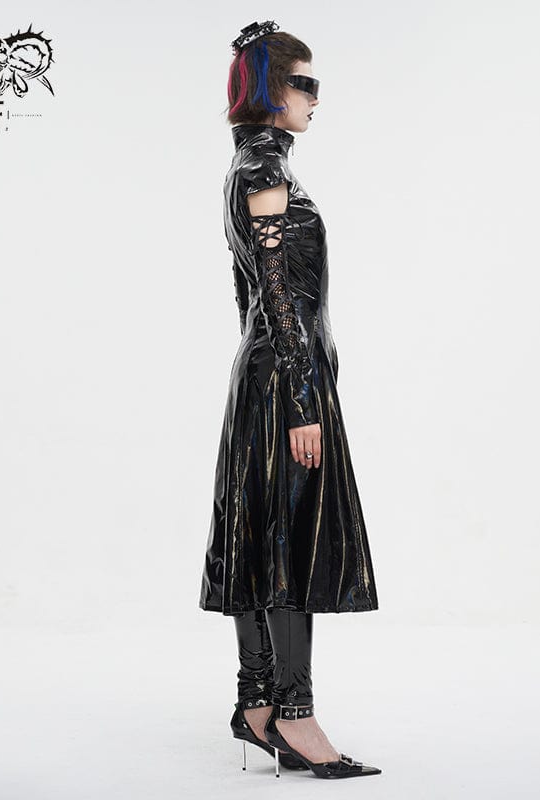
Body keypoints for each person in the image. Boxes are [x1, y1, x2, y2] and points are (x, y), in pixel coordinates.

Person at [198, 20, 381, 780]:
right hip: (283, 381)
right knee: (287, 540)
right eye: (306, 84)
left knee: (260, 533)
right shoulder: (264, 166)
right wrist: (304, 396)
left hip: (267, 373)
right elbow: (273, 294)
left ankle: (257, 705)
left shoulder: (251, 164)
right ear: (273, 90)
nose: (315, 98)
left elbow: (249, 294)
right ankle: (294, 716)